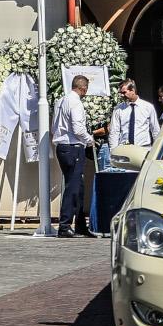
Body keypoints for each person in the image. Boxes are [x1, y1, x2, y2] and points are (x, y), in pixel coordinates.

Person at [52, 75, 95, 238]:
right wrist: (88, 140)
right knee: (73, 187)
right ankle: (65, 226)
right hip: (72, 146)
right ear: (84, 88)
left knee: (78, 187)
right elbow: (78, 128)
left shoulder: (61, 101)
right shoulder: (75, 102)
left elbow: (55, 125)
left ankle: (80, 225)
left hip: (63, 147)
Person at [109, 79, 160, 150]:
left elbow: (155, 130)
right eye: (120, 93)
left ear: (133, 90)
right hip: (124, 148)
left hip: (143, 148)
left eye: (124, 92)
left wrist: (157, 150)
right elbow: (114, 132)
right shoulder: (118, 109)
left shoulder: (148, 107)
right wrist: (113, 152)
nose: (121, 95)